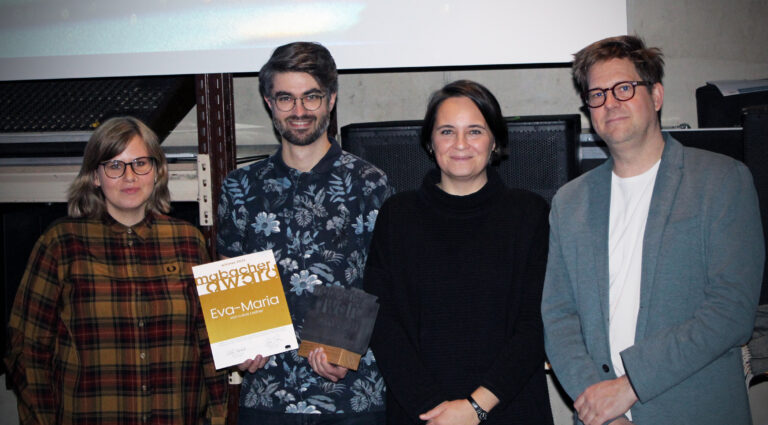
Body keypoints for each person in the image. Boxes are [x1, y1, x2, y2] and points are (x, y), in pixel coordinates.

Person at [541, 35, 765, 425]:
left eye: (624, 88)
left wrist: (630, 386)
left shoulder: (722, 180)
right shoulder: (569, 202)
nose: (609, 102)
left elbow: (731, 311)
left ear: (656, 96)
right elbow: (559, 317)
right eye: (596, 94)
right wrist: (598, 405)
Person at [4, 116, 228, 425]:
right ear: (95, 177)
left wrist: (217, 416)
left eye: (140, 163)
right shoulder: (60, 244)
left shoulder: (188, 241)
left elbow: (210, 342)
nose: (129, 177)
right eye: (114, 165)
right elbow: (27, 349)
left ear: (157, 171)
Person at [216, 41, 392, 424]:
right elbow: (231, 274)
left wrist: (349, 351)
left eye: (311, 97)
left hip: (353, 398)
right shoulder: (240, 187)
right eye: (285, 99)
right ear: (268, 102)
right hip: (266, 395)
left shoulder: (370, 184)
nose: (299, 111)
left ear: (331, 99)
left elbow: (389, 284)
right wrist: (241, 345)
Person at [364, 80, 554, 425]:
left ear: (495, 140)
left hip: (511, 411)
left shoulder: (530, 214)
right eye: (447, 131)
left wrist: (475, 408)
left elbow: (537, 322)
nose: (461, 144)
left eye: (475, 131)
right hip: (420, 414)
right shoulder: (397, 216)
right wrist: (435, 411)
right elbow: (382, 322)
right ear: (429, 141)